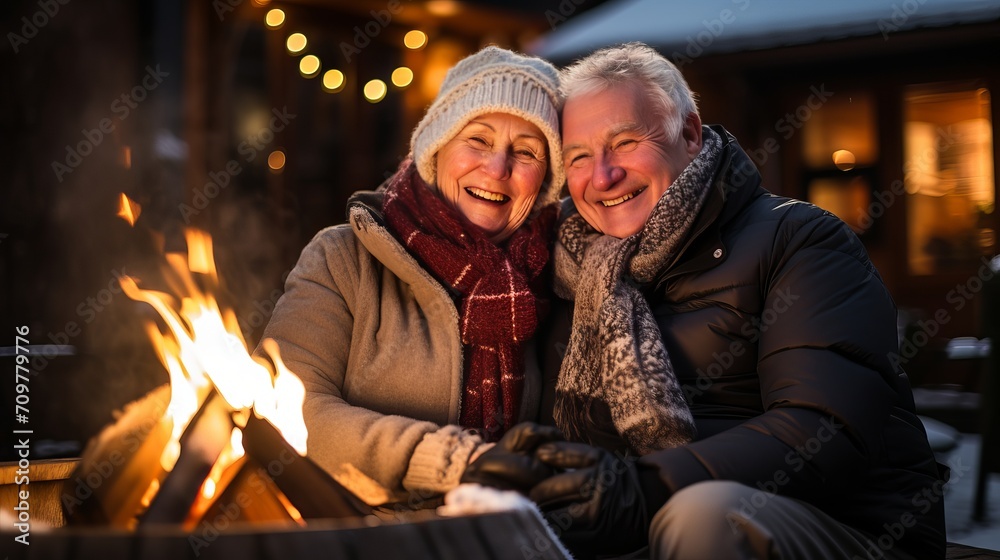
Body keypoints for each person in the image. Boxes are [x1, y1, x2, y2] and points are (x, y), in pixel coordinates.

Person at [491, 42, 946, 560]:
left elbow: (825, 431)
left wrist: (642, 487)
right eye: (578, 158)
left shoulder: (800, 240)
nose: (603, 176)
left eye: (625, 142)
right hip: (637, 533)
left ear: (689, 133)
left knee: (702, 514)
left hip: (843, 529)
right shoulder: (568, 272)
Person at [255, 45, 566, 511]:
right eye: (477, 140)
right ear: (436, 149)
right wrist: (448, 459)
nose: (497, 169)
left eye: (525, 152)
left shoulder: (553, 279)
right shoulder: (343, 258)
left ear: (543, 183)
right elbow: (277, 411)